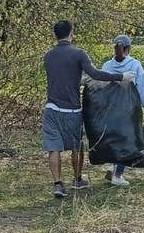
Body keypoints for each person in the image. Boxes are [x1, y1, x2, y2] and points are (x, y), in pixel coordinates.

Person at [44, 19, 133, 198]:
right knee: (77, 147)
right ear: (71, 33)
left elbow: (61, 78)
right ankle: (77, 180)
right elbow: (95, 74)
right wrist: (121, 76)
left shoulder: (48, 55)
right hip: (72, 110)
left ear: (55, 34)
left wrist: (79, 81)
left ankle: (58, 184)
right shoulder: (78, 54)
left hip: (51, 108)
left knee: (54, 148)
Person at [99, 34, 144, 186]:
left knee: (113, 139)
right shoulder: (135, 65)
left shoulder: (106, 66)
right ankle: (118, 175)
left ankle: (111, 165)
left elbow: (100, 87)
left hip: (109, 109)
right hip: (128, 110)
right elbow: (141, 88)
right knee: (126, 142)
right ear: (129, 48)